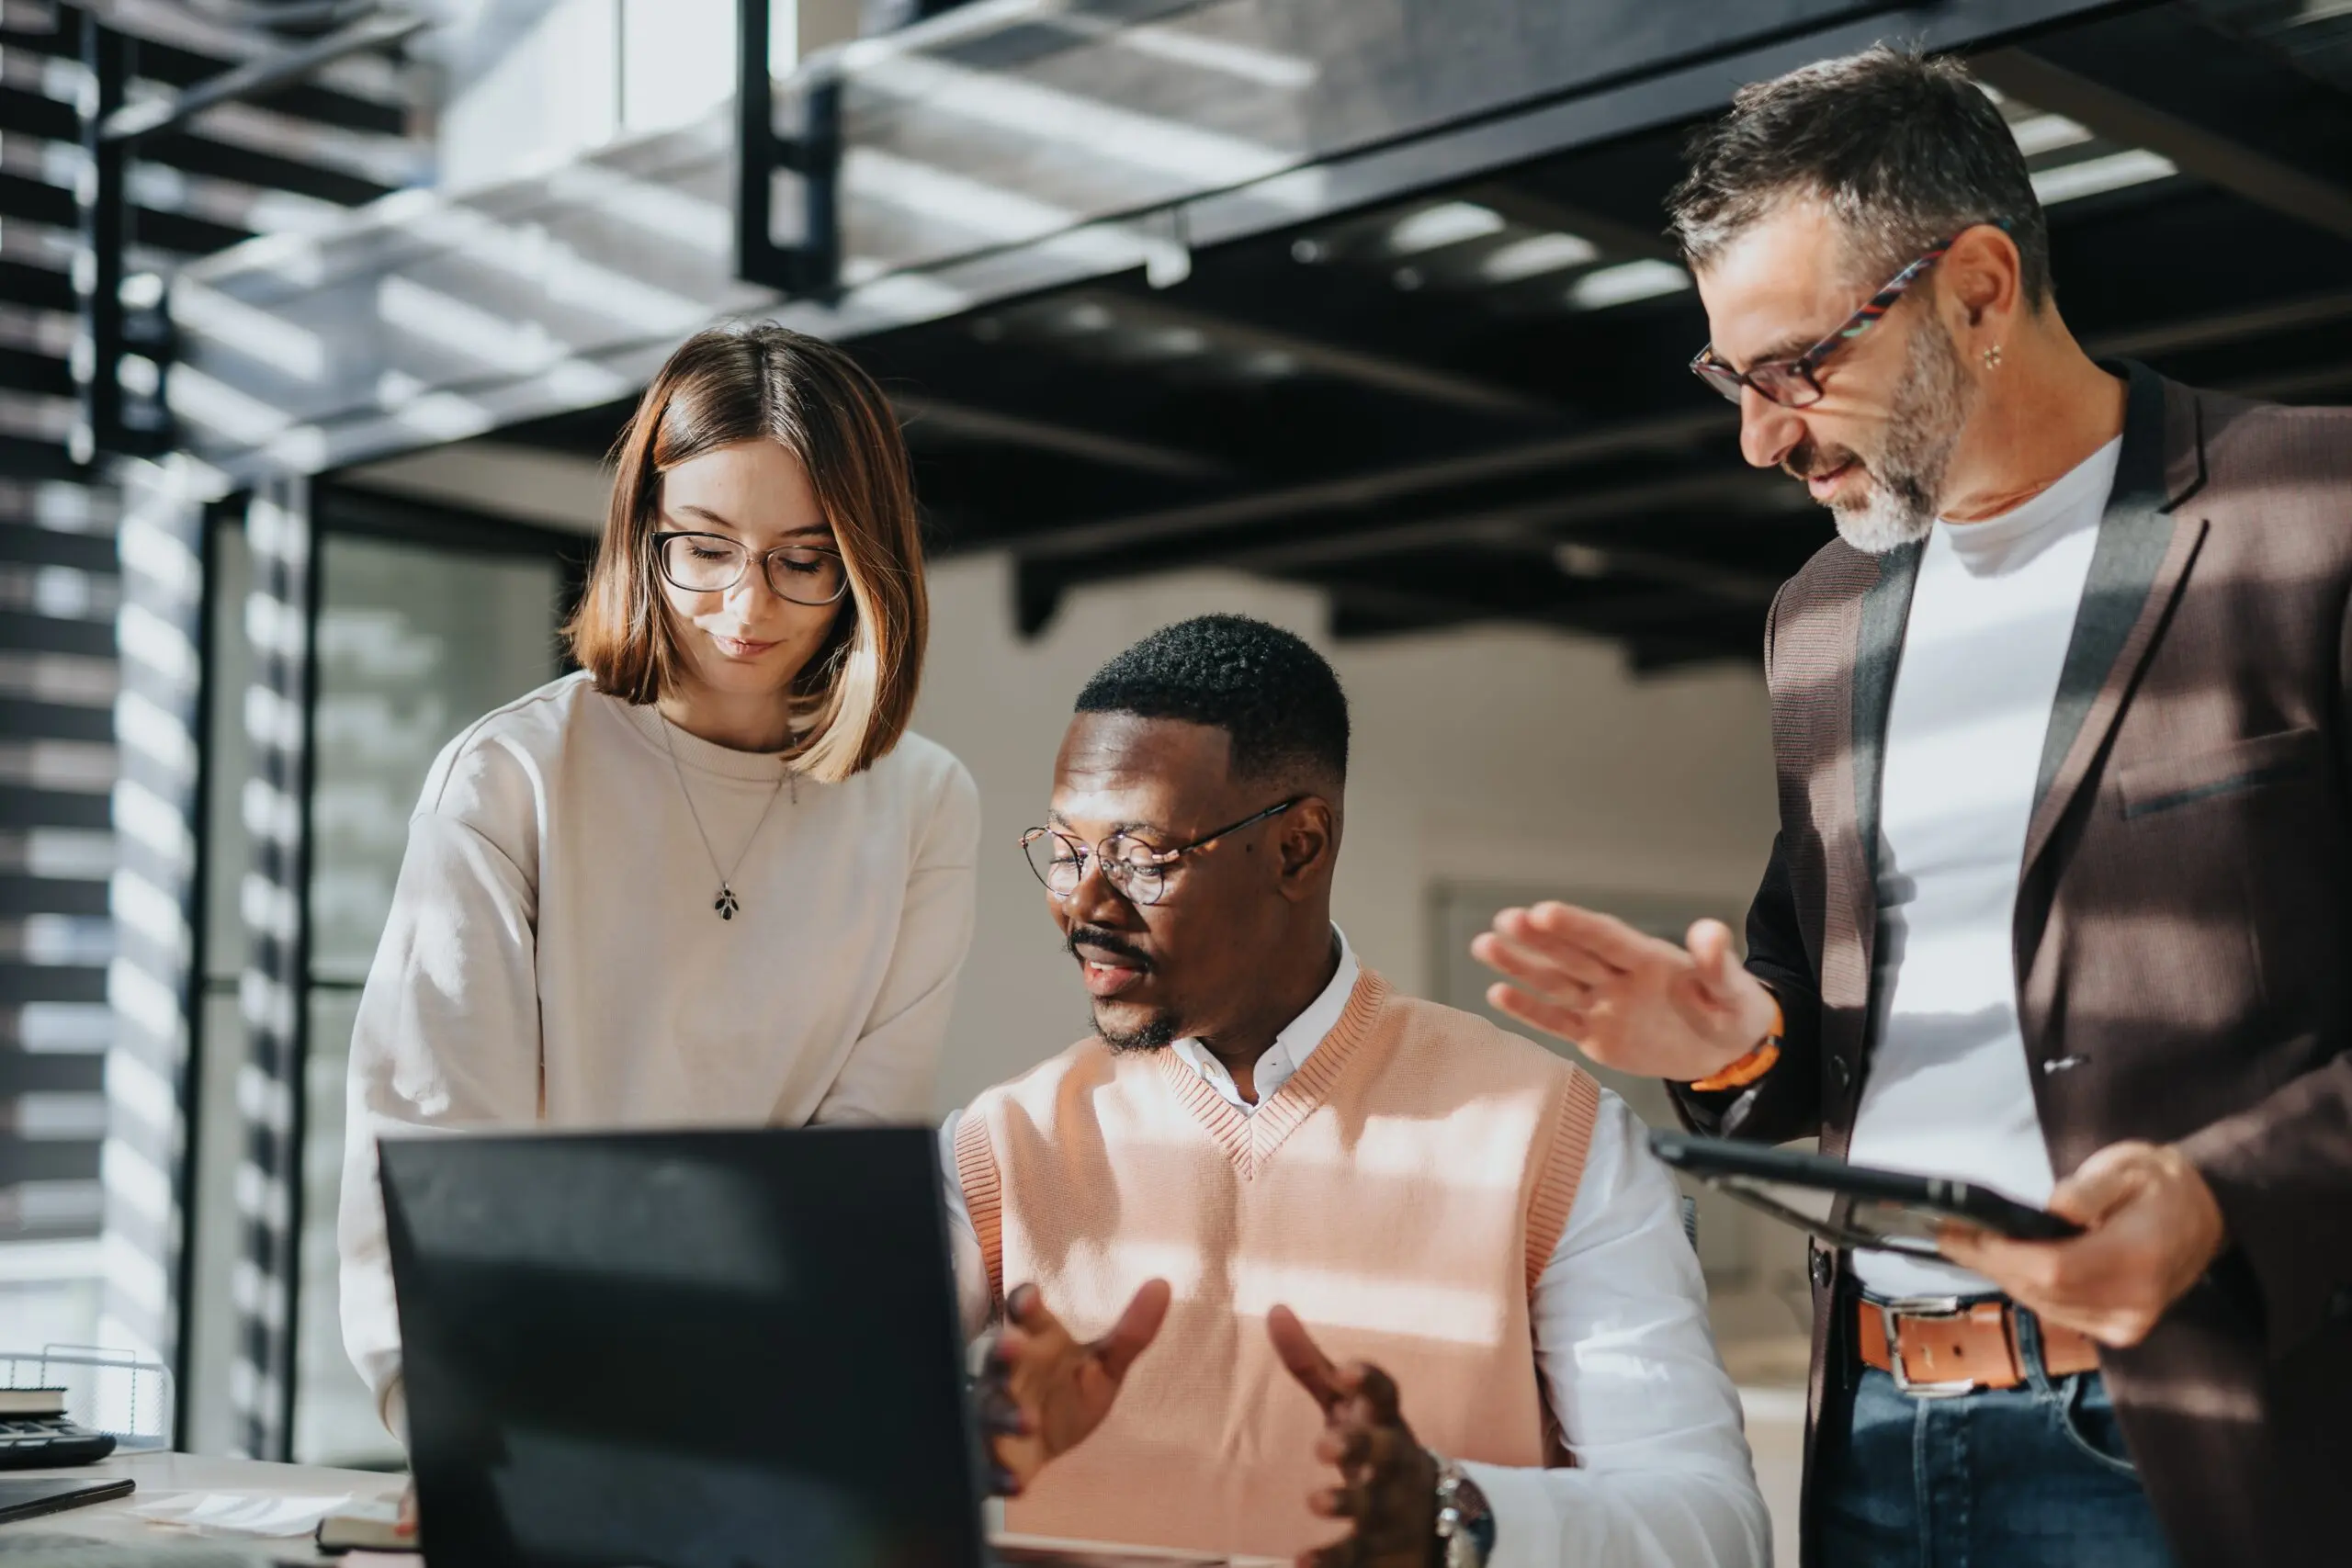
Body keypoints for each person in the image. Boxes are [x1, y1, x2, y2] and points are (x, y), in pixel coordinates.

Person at [1474, 45, 2352, 1568]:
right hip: (1876, 1432)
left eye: (1799, 366)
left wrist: (2220, 1200)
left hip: (2208, 1439)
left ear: (1981, 290)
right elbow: (1809, 1029)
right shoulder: (1819, 620)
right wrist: (1730, 1042)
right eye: (1732, 378)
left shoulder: (2312, 520)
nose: (1761, 435)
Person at [944, 615, 1769, 1568]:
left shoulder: (1552, 1136)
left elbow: (1715, 1530)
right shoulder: (1000, 1147)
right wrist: (966, 1447)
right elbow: (799, 1450)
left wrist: (1455, 1517)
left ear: (1299, 846)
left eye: (1140, 856)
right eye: (1065, 848)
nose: (1085, 904)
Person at [337, 323, 979, 1437]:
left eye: (802, 556)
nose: (747, 607)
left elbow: (855, 1153)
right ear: (645, 535)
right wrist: (451, 1425)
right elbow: (434, 1139)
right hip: (520, 1394)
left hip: (771, 1398)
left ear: (863, 559)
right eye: (705, 548)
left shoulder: (923, 802)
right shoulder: (512, 778)